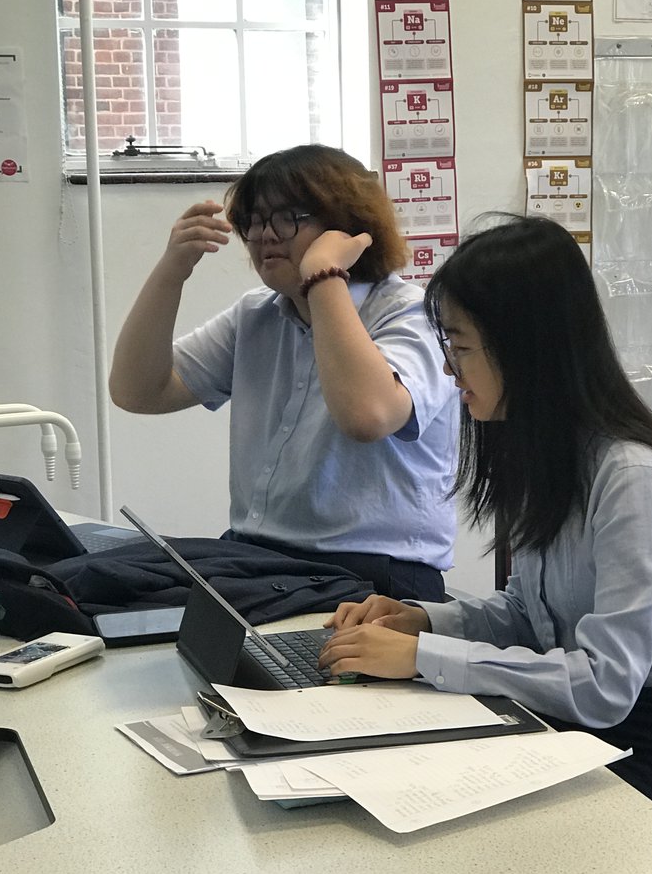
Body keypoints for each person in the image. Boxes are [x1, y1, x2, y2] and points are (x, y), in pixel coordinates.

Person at [319, 215, 652, 837]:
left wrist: (421, 656)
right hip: (569, 724)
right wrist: (425, 619)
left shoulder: (634, 477)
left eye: (459, 347)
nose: (449, 369)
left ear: (522, 346)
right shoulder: (545, 451)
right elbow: (529, 614)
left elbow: (604, 686)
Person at [109, 144, 457, 601]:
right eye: (253, 220)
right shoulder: (256, 315)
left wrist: (324, 276)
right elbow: (138, 391)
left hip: (375, 573)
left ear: (346, 223)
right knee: (113, 581)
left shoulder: (412, 314)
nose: (264, 235)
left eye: (288, 216)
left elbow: (368, 416)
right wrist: (173, 270)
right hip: (258, 559)